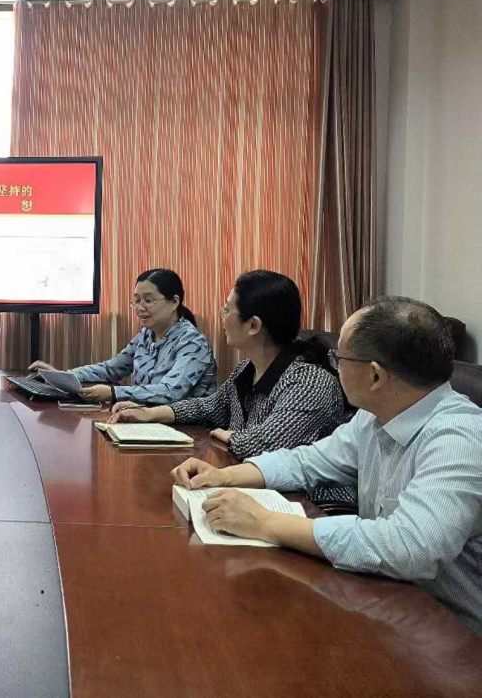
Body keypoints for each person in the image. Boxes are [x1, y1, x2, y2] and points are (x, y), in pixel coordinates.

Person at [171, 296, 482, 636]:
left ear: (375, 376)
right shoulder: (375, 416)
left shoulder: (459, 438)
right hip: (384, 604)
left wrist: (265, 522)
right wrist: (225, 475)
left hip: (452, 637)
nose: (334, 367)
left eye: (339, 359)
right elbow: (309, 461)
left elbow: (409, 547)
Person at [108, 270, 345, 463]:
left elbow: (269, 445)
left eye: (227, 309)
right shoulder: (246, 370)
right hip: (250, 487)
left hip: (306, 503)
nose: (221, 315)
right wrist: (151, 413)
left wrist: (230, 437)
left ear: (253, 326)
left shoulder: (310, 382)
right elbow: (210, 407)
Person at [30, 269, 216, 405]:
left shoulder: (192, 342)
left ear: (174, 302)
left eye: (148, 300)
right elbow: (110, 369)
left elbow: (171, 391)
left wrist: (113, 393)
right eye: (136, 301)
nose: (140, 308)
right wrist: (64, 376)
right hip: (147, 421)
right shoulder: (145, 336)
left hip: (189, 431)